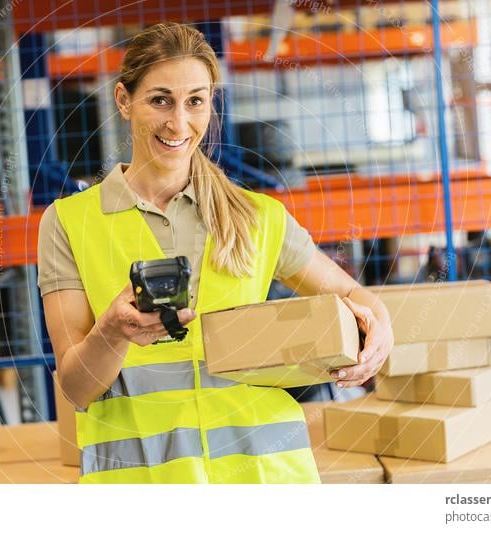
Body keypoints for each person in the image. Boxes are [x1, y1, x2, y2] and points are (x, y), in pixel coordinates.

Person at [38, 22, 394, 484]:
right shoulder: (70, 222)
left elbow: (358, 298)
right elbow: (75, 387)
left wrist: (378, 332)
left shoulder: (258, 217)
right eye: (160, 100)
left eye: (196, 101)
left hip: (266, 484)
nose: (179, 123)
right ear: (124, 101)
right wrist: (111, 333)